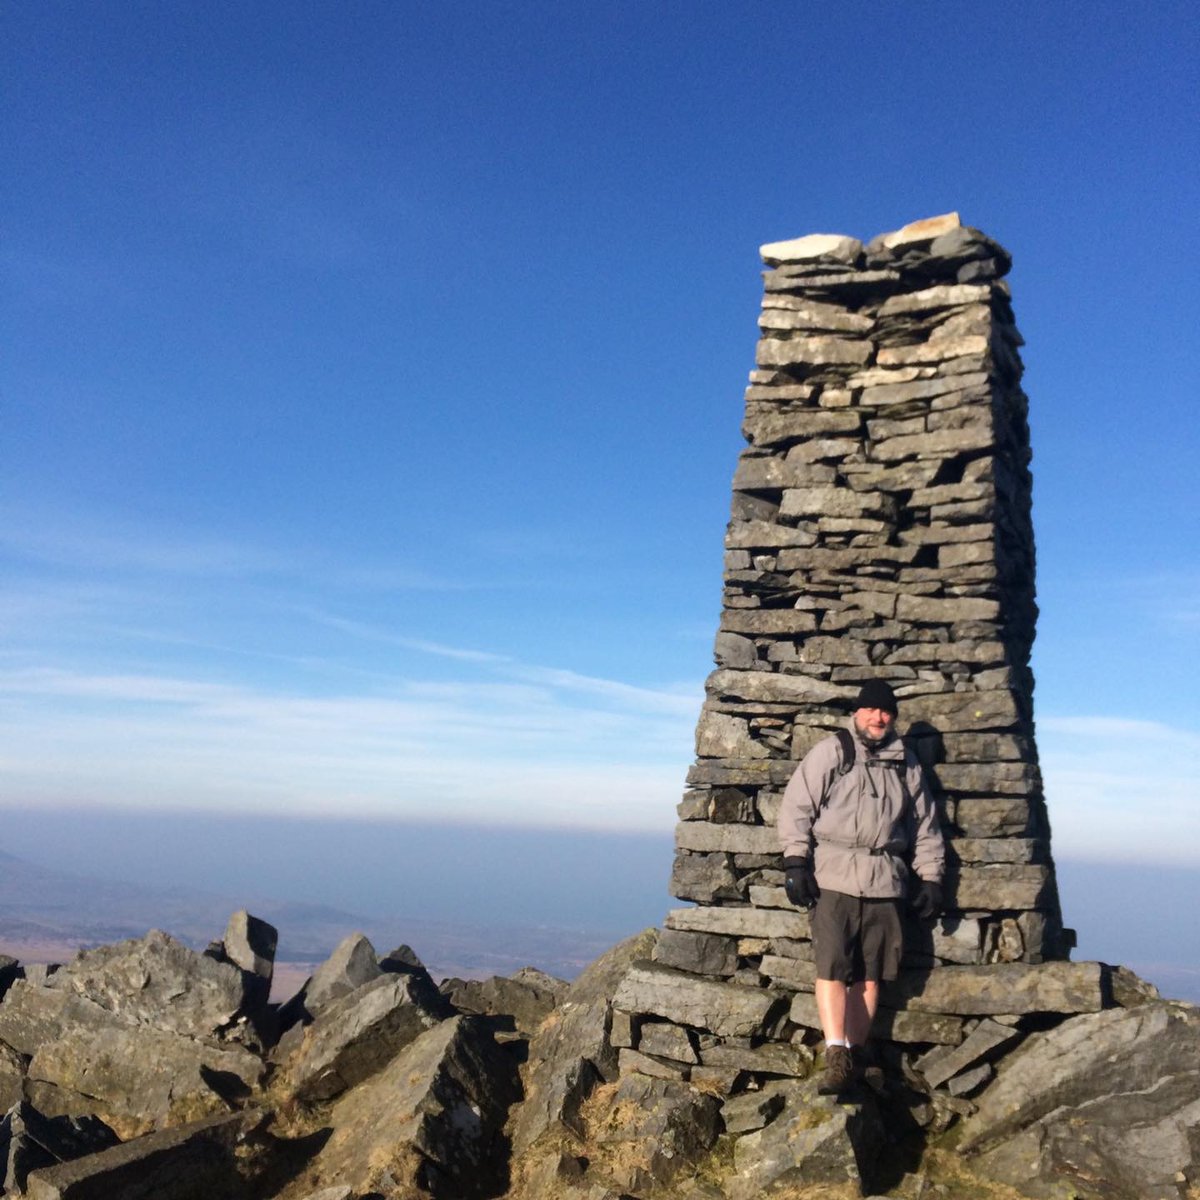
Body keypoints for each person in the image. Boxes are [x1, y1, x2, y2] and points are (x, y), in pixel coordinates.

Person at [776, 679, 945, 1097]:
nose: (878, 717)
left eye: (886, 711)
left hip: (885, 879)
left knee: (871, 976)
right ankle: (837, 1054)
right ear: (858, 712)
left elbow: (925, 827)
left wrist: (931, 877)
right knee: (833, 968)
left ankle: (855, 1051)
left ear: (893, 717)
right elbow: (798, 806)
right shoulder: (835, 751)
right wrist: (796, 860)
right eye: (871, 709)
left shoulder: (906, 764)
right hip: (834, 876)